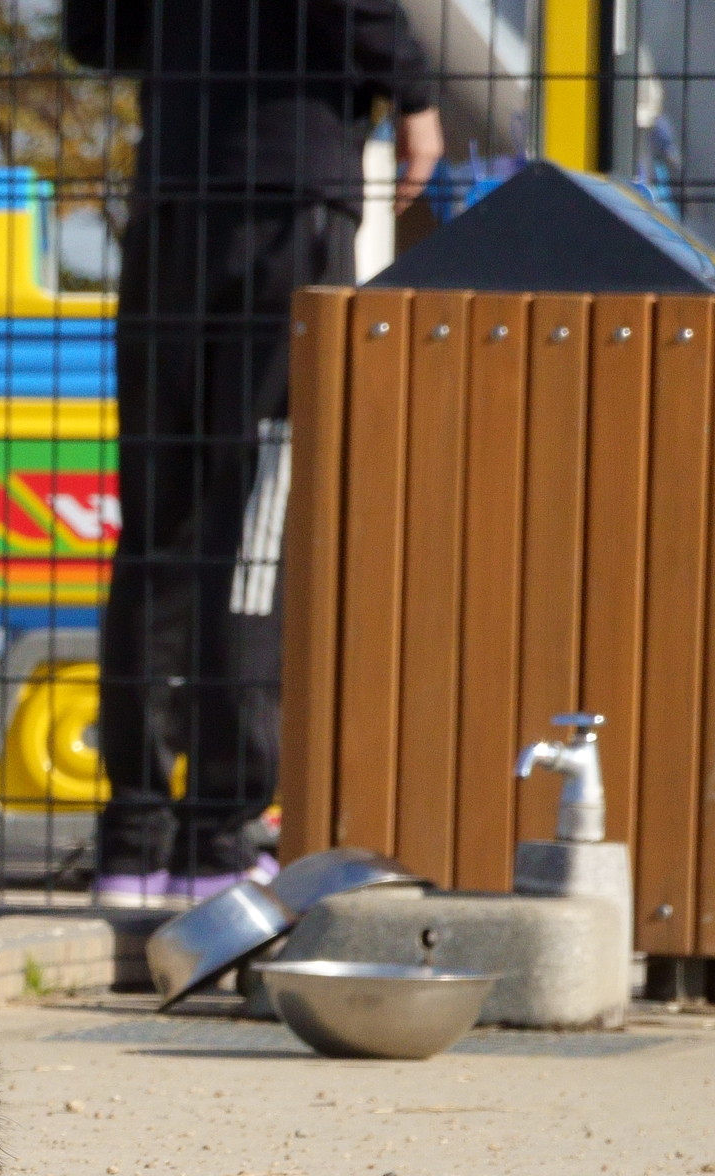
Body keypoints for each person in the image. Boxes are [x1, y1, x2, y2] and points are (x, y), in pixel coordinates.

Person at [63, 0, 443, 906]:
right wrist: (415, 90)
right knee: (256, 522)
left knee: (159, 521)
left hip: (170, 205)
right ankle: (221, 838)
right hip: (285, 201)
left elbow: (97, 35)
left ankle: (134, 837)